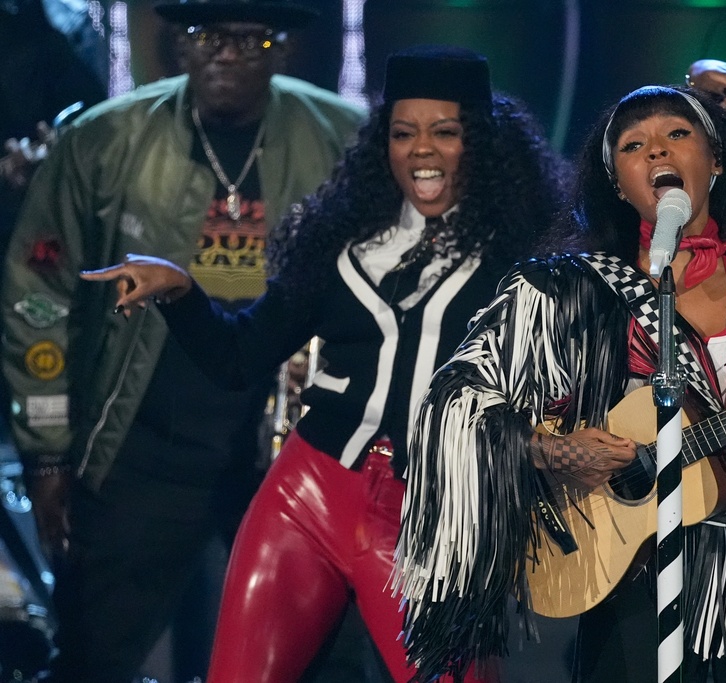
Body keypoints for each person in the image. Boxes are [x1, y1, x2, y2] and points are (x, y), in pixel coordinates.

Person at [391, 84, 726, 682]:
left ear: (717, 159)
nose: (656, 153)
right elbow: (454, 401)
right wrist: (550, 450)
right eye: (633, 145)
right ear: (617, 184)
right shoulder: (572, 293)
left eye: (677, 135)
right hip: (633, 593)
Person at [78, 44, 566, 683]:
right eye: (403, 133)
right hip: (306, 493)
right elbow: (237, 357)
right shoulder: (341, 241)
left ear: (481, 145)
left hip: (430, 513)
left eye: (445, 132)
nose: (422, 149)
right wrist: (181, 292)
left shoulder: (528, 261)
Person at [0, 0, 365, 680]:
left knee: (324, 656)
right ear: (180, 47)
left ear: (281, 49)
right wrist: (48, 454)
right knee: (93, 652)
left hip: (290, 448)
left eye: (247, 39)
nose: (224, 52)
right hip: (142, 445)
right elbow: (36, 291)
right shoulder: (107, 140)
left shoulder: (343, 137)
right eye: (205, 36)